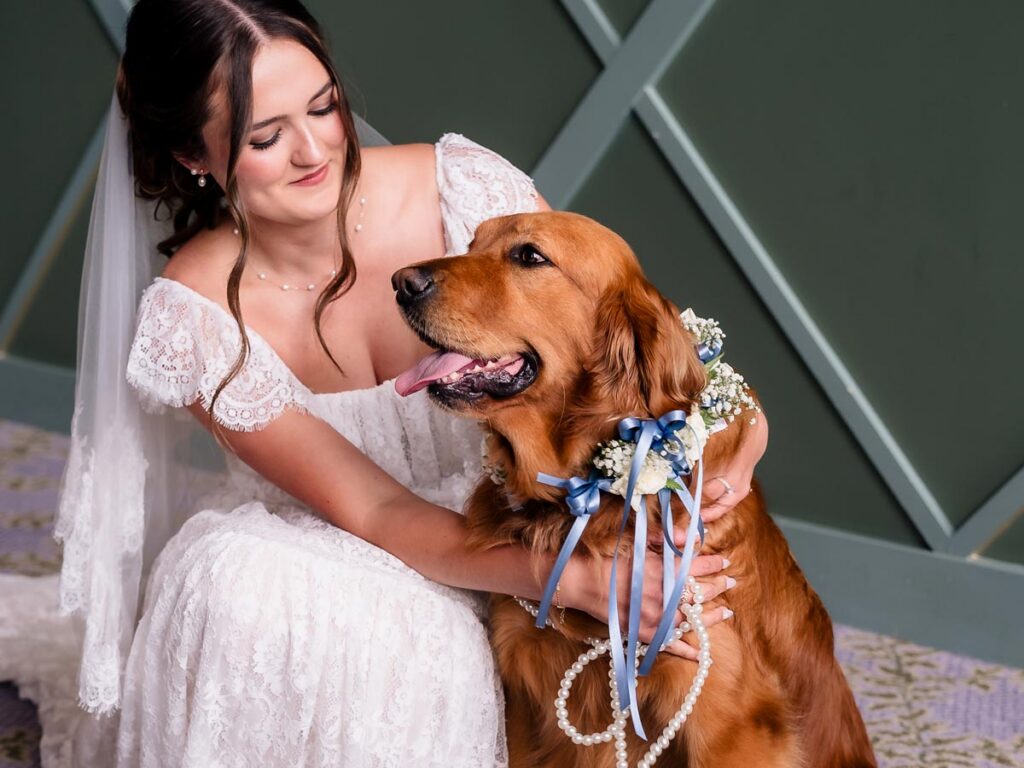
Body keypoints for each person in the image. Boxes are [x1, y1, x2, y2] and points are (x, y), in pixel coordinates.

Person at [1, 1, 768, 766]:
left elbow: (615, 340)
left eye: (323, 106)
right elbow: (377, 510)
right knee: (242, 589)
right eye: (266, 137)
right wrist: (571, 580)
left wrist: (745, 435)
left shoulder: (461, 190)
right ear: (194, 155)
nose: (313, 151)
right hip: (339, 545)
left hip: (508, 520)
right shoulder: (195, 311)